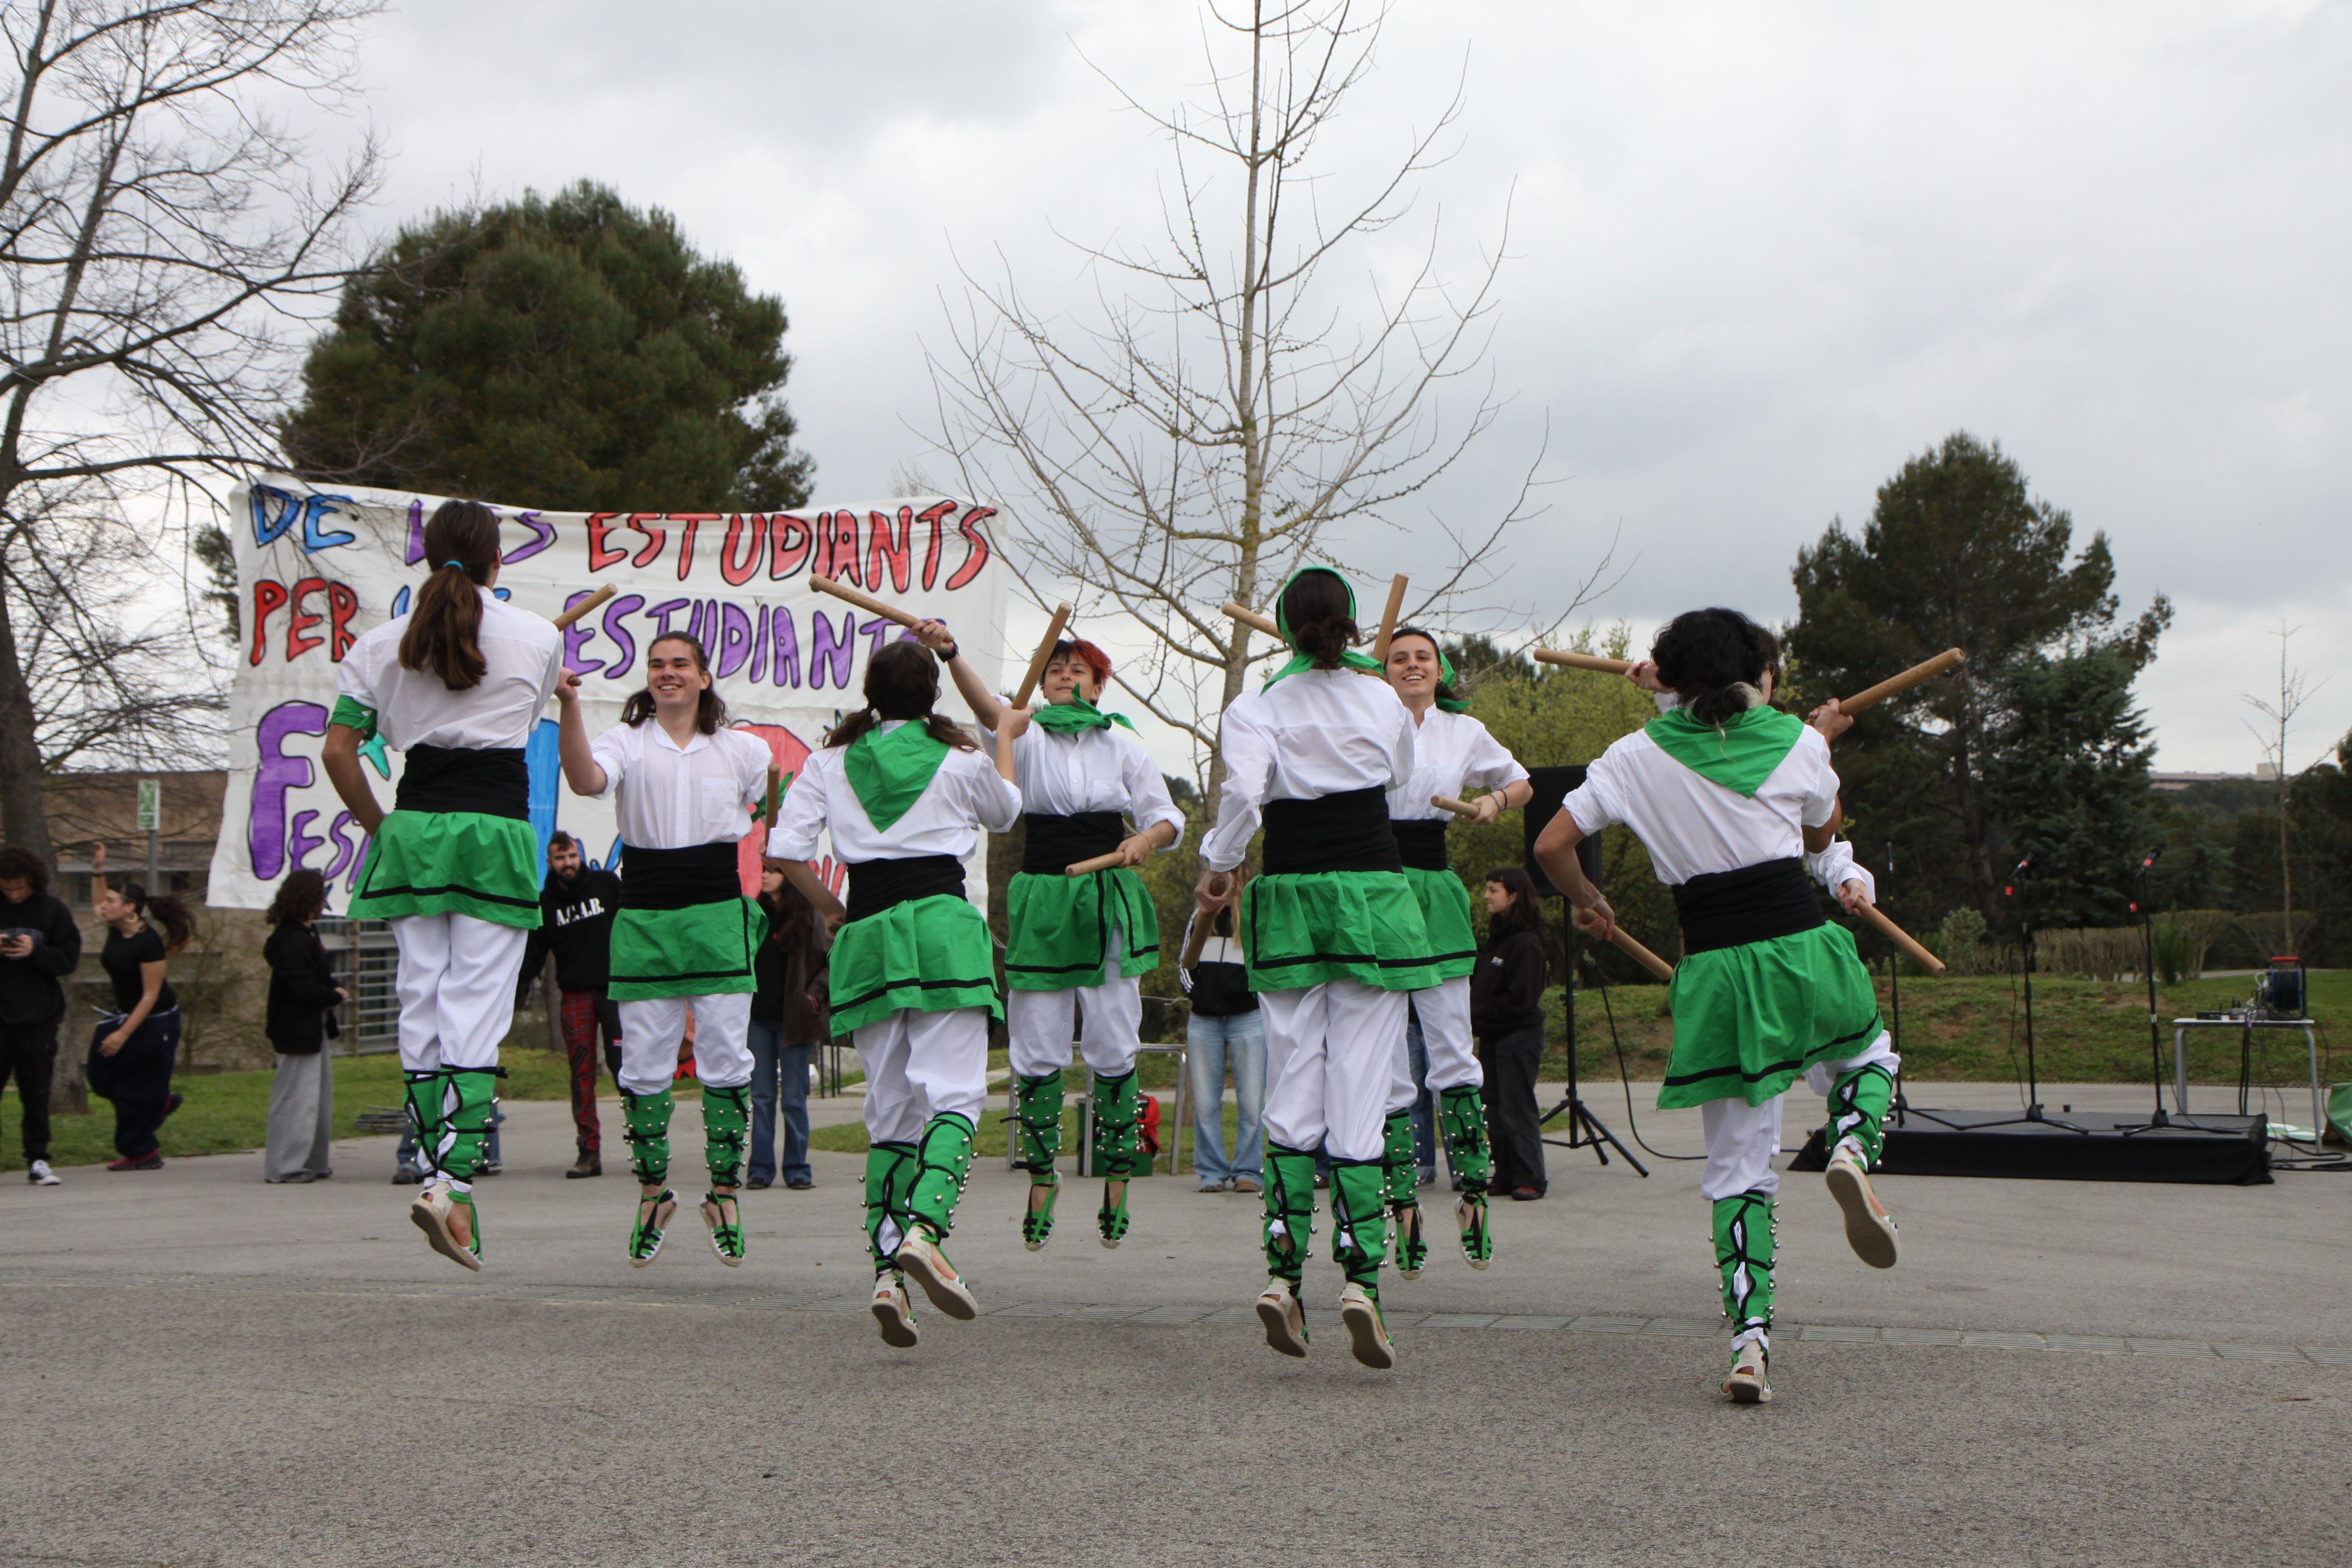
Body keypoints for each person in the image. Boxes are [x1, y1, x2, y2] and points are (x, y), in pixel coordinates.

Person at [1534, 606, 1900, 1406]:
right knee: (1868, 1059)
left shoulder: (1632, 757)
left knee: (1737, 1166)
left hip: (1715, 967)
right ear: (1756, 674)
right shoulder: (1798, 743)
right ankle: (1847, 1147)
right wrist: (1822, 740)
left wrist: (1592, 899)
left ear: (1668, 678)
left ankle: (1750, 1345)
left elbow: (1550, 846)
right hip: (1801, 948)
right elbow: (1819, 834)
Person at [1197, 567, 1444, 1371]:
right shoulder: (1380, 696)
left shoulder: (1257, 703)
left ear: (1282, 622)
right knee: (1364, 1082)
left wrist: (1219, 860)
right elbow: (1402, 776)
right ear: (1348, 623)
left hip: (1293, 891)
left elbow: (1244, 792)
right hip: (1372, 888)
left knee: (1295, 1072)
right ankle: (1361, 1281)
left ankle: (1280, 1272)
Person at [323, 498, 565, 1270]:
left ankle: (431, 1169)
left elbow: (337, 753)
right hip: (493, 832)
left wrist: (378, 827)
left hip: (416, 830)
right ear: (499, 561)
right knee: (477, 1004)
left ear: (427, 558)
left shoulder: (378, 644)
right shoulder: (539, 637)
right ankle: (454, 1183)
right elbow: (529, 720)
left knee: (421, 996)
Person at [767, 639, 1021, 1349]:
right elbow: (1005, 812)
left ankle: (888, 1278)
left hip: (869, 935)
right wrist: (1004, 735)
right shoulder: (962, 755)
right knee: (955, 1096)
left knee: (890, 1112)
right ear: (932, 695)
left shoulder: (827, 762)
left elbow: (785, 850)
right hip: (941, 931)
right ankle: (927, 1231)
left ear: (871, 695)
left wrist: (834, 909)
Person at [930, 625, 1185, 1250]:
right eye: (1053, 670)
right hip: (1044, 897)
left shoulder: (1123, 745)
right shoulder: (1024, 734)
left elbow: (1168, 817)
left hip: (1106, 898)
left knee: (1112, 1040)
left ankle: (1118, 1172)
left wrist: (1143, 841)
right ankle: (1042, 1175)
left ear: (1100, 684)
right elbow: (988, 710)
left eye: (1077, 670)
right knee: (1037, 1043)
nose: (1063, 678)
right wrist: (952, 652)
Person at [555, 631, 772, 1268]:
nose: (667, 673)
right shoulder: (625, 740)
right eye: (657, 664)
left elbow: (766, 817)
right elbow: (585, 778)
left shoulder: (745, 750)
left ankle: (725, 1196)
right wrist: (569, 703)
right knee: (642, 1067)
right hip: (645, 914)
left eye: (680, 664)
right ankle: (654, 1194)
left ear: (705, 677)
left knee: (727, 1060)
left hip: (714, 915)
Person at [1379, 626, 1532, 1277]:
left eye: (1423, 658)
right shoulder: (1363, 719)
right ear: (1381, 670)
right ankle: (1401, 1207)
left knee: (1451, 1044)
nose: (1412, 666)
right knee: (1383, 1052)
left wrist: (1495, 801)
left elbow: (1521, 780)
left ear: (1439, 671)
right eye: (1399, 658)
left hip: (1433, 890)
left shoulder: (1464, 732)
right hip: (1373, 888)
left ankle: (1472, 1193)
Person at [516, 830, 626, 1178]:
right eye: (561, 859)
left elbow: (635, 924)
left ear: (581, 855)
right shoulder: (546, 903)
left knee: (628, 1070)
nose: (568, 864)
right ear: (550, 863)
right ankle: (589, 1151)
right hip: (576, 994)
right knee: (581, 1075)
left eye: (572, 857)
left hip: (614, 990)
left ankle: (646, 1144)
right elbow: (533, 956)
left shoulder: (607, 885)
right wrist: (515, 990)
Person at [86, 841, 195, 1171]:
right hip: (128, 1016)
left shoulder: (148, 944)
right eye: (106, 900)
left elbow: (150, 996)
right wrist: (98, 870)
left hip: (155, 1022)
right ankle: (159, 1104)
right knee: (101, 1075)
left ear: (131, 908)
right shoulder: (116, 927)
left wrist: (122, 1035)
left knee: (135, 1088)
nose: (104, 906)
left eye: (111, 901)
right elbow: (95, 902)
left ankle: (142, 1151)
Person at [0, 844, 79, 1186]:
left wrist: (36, 952)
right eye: (7, 890)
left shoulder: (52, 911)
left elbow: (68, 959)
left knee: (36, 1093)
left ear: (32, 881)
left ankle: (37, 1159)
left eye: (20, 888)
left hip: (38, 1019)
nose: (14, 896)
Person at [748, 861, 828, 1191]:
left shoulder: (808, 915)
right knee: (762, 1097)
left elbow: (829, 959)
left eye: (774, 870)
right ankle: (760, 1169)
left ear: (790, 878)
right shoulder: (754, 913)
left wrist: (815, 992)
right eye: (764, 869)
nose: (765, 875)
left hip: (793, 1019)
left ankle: (797, 1168)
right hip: (758, 1018)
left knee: (794, 1099)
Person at [263, 868, 346, 1183]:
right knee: (296, 1099)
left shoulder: (305, 934)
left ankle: (312, 1161)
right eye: (321, 894)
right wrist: (331, 995)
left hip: (312, 1027)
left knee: (315, 1099)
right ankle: (286, 1165)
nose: (324, 901)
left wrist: (330, 991)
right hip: (296, 1028)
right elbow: (301, 987)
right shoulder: (293, 939)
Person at [1472, 867, 1549, 1201]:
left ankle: (1530, 1177)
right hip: (1492, 1038)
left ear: (1514, 896)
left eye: (1494, 890)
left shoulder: (1526, 943)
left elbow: (1522, 1000)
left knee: (1517, 1106)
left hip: (1518, 1038)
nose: (1487, 896)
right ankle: (1504, 1174)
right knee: (1494, 1106)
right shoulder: (1498, 940)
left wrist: (1479, 1013)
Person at [1177, 904, 1264, 1194]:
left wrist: (1255, 994)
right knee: (1205, 1103)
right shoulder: (1200, 915)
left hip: (1248, 1018)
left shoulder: (1256, 914)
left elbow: (1267, 963)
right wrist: (1195, 993)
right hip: (1203, 1020)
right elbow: (1185, 963)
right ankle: (1211, 1172)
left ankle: (1248, 1171)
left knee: (1252, 1102)